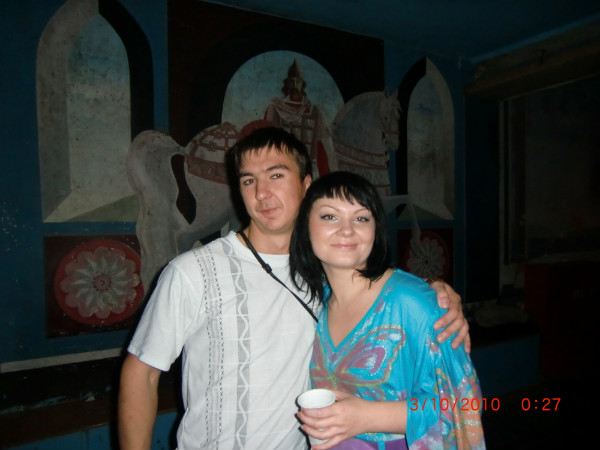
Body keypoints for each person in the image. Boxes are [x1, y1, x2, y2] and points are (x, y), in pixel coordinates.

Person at [118, 127, 470, 450]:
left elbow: (378, 288)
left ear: (305, 185)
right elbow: (141, 373)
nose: (262, 193)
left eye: (276, 175)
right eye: (248, 180)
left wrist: (434, 291)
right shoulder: (193, 271)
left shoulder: (325, 270)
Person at [291, 171, 485, 450]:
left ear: (376, 230)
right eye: (329, 216)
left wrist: (367, 417)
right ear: (306, 227)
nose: (347, 230)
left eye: (361, 218)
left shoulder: (413, 303)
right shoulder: (315, 301)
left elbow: (465, 404)